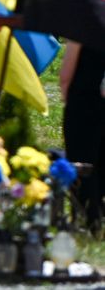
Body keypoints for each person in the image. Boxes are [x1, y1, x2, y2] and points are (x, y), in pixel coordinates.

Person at [60, 40, 105, 227]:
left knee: (82, 166)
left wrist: (66, 94)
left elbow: (65, 76)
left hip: (84, 104)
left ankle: (86, 223)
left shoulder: (83, 23)